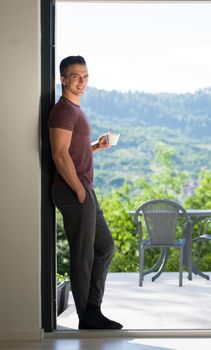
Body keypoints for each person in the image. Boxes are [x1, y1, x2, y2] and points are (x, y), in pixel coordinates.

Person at [49, 55, 122, 330]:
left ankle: (93, 309)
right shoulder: (64, 110)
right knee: (83, 254)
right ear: (63, 79)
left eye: (85, 76)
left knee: (104, 247)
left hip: (84, 189)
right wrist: (79, 190)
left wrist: (95, 146)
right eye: (76, 76)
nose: (81, 81)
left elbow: (71, 151)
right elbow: (58, 154)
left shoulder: (75, 110)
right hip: (74, 190)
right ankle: (88, 316)